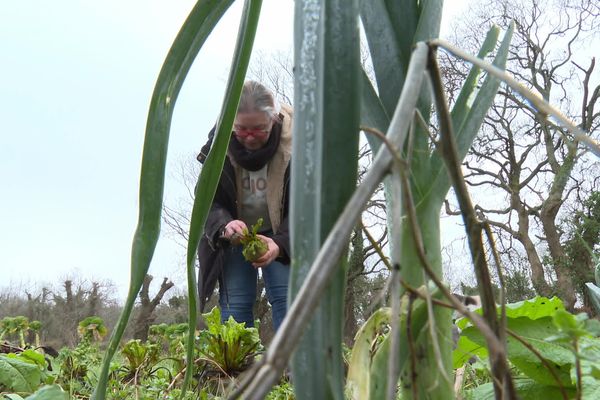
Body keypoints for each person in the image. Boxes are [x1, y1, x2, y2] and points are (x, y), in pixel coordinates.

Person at [196, 81, 292, 331]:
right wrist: (223, 226)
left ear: (273, 119)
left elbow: (310, 206)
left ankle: (293, 368)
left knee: (287, 299)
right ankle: (236, 368)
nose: (249, 136)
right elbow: (206, 201)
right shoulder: (217, 146)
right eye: (242, 129)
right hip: (233, 234)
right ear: (231, 122)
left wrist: (281, 244)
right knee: (236, 303)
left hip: (282, 232)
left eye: (258, 129)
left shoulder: (298, 144)